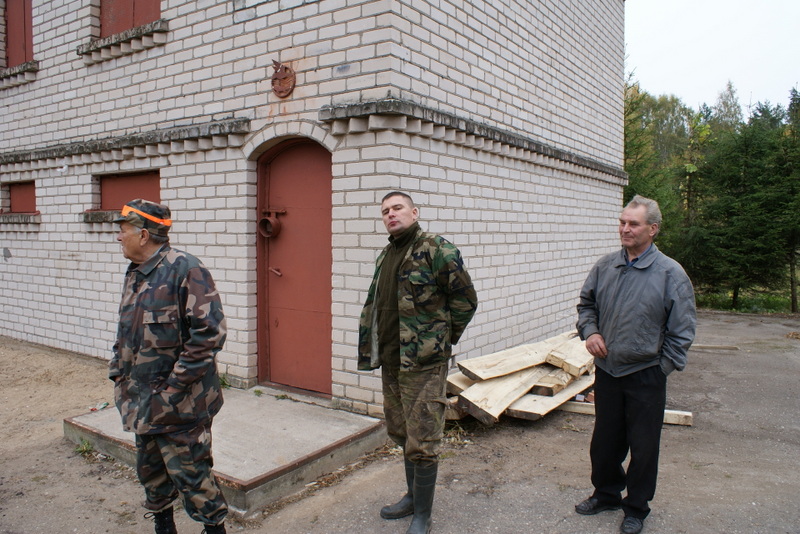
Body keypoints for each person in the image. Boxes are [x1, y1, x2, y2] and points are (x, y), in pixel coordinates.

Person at [575, 195, 696, 534]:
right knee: (605, 442)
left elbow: (683, 329)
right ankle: (606, 494)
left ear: (652, 229)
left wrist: (662, 367)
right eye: (622, 222)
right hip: (608, 370)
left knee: (644, 448)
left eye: (633, 224)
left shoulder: (670, 273)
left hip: (646, 375)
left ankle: (636, 508)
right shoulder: (606, 266)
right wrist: (590, 332)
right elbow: (586, 305)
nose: (625, 229)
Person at [358, 191, 478, 534]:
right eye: (385, 211)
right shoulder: (386, 255)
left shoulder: (437, 249)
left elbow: (466, 301)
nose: (391, 214)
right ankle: (412, 497)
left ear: (414, 212)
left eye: (397, 208)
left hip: (423, 363)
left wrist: (439, 340)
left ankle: (423, 515)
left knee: (423, 438)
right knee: (401, 431)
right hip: (392, 361)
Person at [109, 199, 229, 534]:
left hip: (181, 405)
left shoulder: (186, 270)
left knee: (193, 477)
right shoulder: (135, 272)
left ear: (143, 235)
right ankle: (164, 525)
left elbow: (210, 335)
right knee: (151, 473)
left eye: (123, 229)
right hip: (141, 400)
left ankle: (214, 530)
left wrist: (173, 388)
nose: (118, 237)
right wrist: (117, 371)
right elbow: (127, 330)